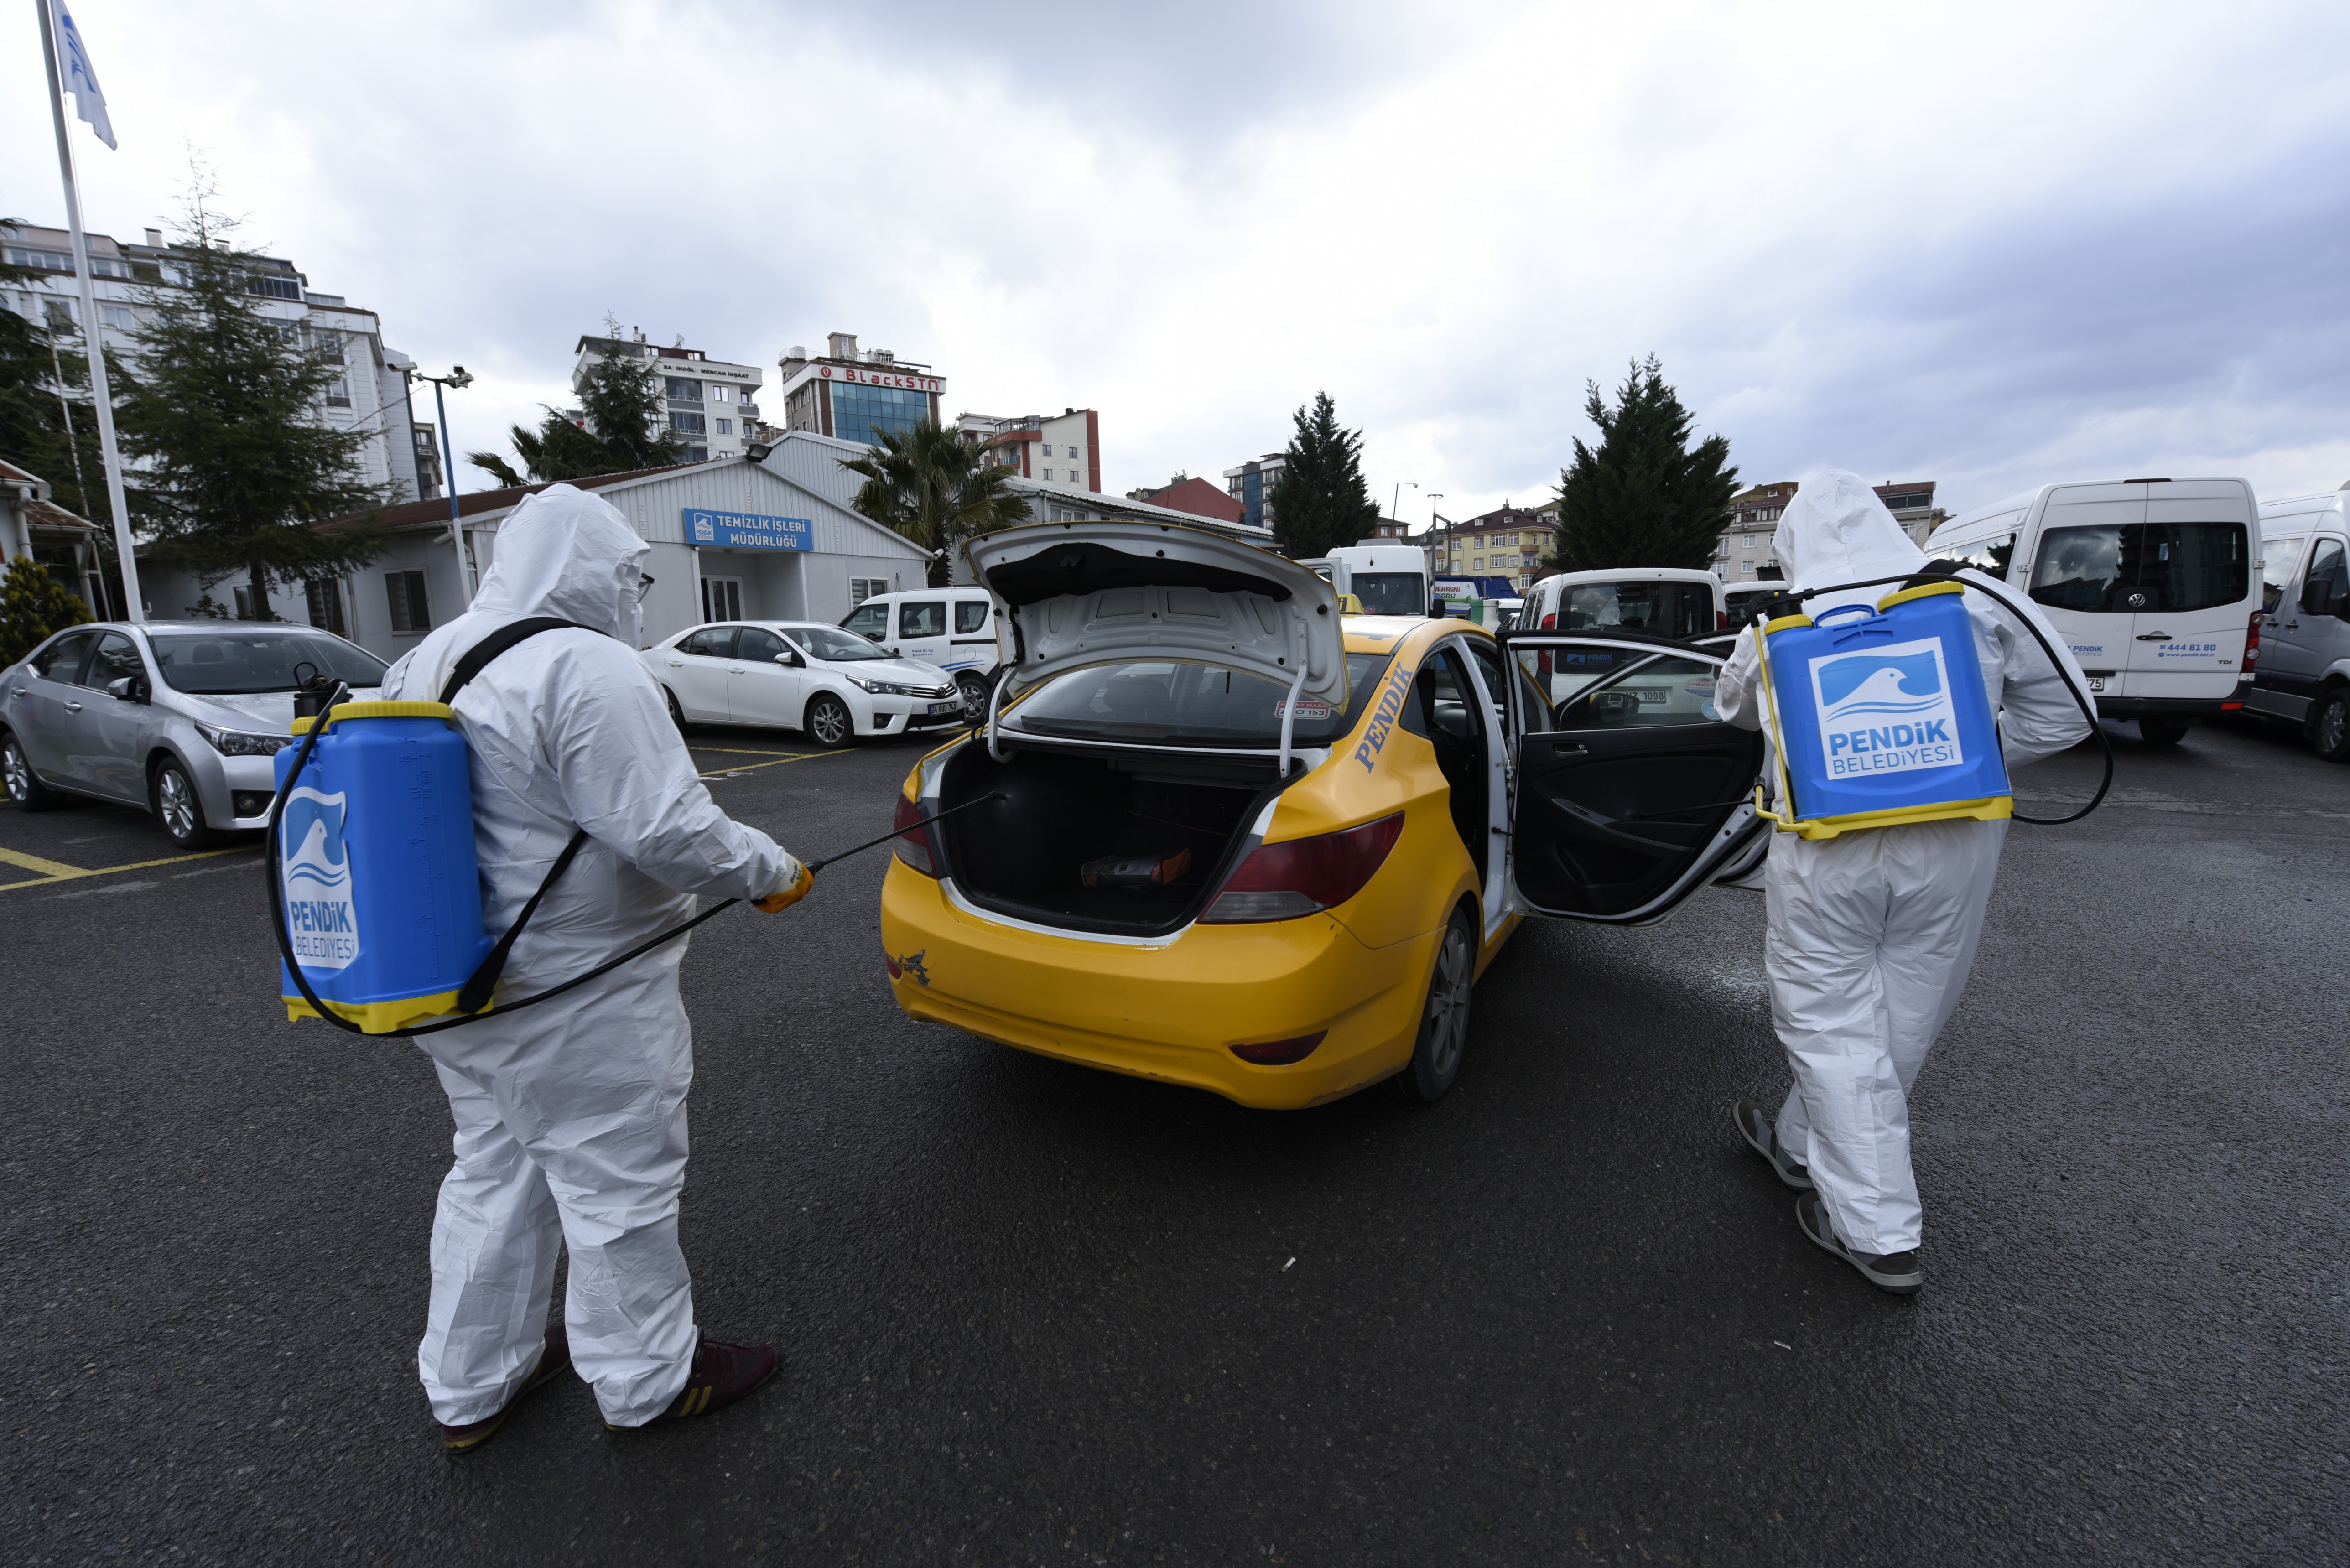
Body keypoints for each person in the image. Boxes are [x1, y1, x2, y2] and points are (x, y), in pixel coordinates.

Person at [378, 484, 813, 1448]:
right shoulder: (583, 667)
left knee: (494, 1169)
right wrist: (774, 871)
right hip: (574, 991)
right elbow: (665, 829)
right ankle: (648, 1378)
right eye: (630, 574)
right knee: (616, 1182)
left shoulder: (423, 658)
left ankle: (471, 1384)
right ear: (589, 571)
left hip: (450, 980)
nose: (634, 593)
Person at [1712, 470, 2091, 1296]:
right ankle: (1798, 1143)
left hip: (1828, 852)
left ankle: (1878, 1232)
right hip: (1954, 846)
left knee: (1830, 1023)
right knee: (1906, 1011)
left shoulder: (1776, 624)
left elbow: (1729, 709)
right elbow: (2071, 713)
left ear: (1790, 545)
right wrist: (1954, 760)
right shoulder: (1977, 600)